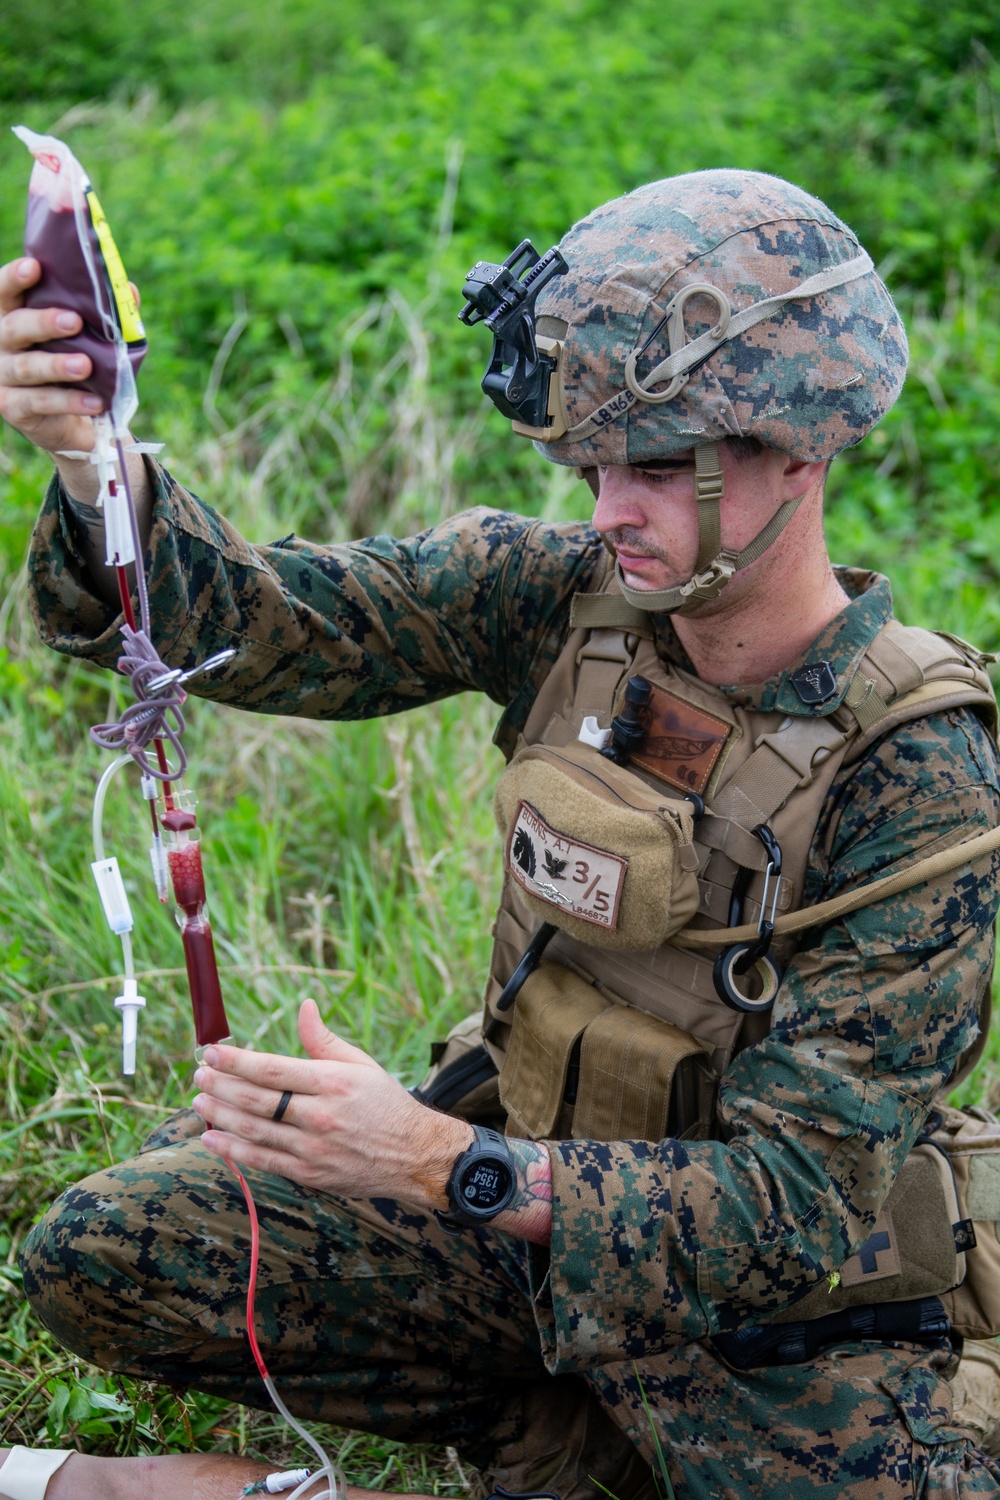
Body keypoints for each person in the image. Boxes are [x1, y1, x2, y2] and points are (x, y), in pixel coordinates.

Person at [3, 168, 1000, 1500]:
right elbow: (255, 623)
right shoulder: (562, 599)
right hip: (516, 1212)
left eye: (655, 465)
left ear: (800, 450)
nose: (606, 507)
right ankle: (550, 1425)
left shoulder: (921, 773)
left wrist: (427, 1159)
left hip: (773, 1325)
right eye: (590, 462)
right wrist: (95, 459)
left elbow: (794, 1214)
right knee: (109, 1249)